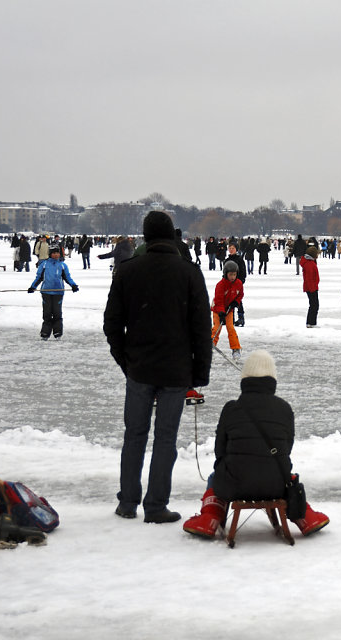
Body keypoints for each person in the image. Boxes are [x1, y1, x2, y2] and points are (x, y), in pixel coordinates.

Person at [103, 211, 212, 523]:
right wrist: (200, 372)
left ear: (146, 238)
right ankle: (155, 505)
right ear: (172, 238)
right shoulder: (189, 273)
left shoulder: (128, 271)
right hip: (176, 371)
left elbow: (111, 324)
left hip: (139, 368)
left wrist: (125, 360)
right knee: (165, 439)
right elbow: (201, 328)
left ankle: (127, 502)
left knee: (134, 436)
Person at [182, 350, 330, 539]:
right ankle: (305, 517)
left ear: (245, 379)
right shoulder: (284, 409)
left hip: (234, 484)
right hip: (276, 486)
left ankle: (210, 518)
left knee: (213, 477)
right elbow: (287, 448)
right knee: (288, 476)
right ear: (272, 380)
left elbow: (220, 451)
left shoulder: (231, 408)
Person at [28, 245, 79, 340]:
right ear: (50, 254)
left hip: (58, 292)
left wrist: (73, 285)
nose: (56, 255)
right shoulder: (44, 264)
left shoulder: (63, 265)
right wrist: (33, 287)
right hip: (46, 292)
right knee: (47, 313)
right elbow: (39, 277)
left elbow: (67, 277)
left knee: (57, 313)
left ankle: (58, 332)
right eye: (54, 253)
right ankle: (45, 333)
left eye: (57, 253)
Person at [212, 260, 244, 364]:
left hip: (229, 310)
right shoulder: (220, 285)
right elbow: (219, 300)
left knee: (230, 327)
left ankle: (236, 348)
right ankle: (210, 346)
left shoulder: (238, 283)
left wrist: (236, 302)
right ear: (226, 274)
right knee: (217, 327)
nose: (232, 277)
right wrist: (221, 313)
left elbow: (240, 294)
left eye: (234, 275)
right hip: (218, 309)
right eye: (230, 274)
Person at [301, 245, 319, 327]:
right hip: (311, 288)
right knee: (314, 305)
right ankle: (311, 323)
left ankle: (312, 322)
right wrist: (312, 289)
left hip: (312, 287)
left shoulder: (311, 262)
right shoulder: (309, 264)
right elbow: (309, 278)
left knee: (314, 305)